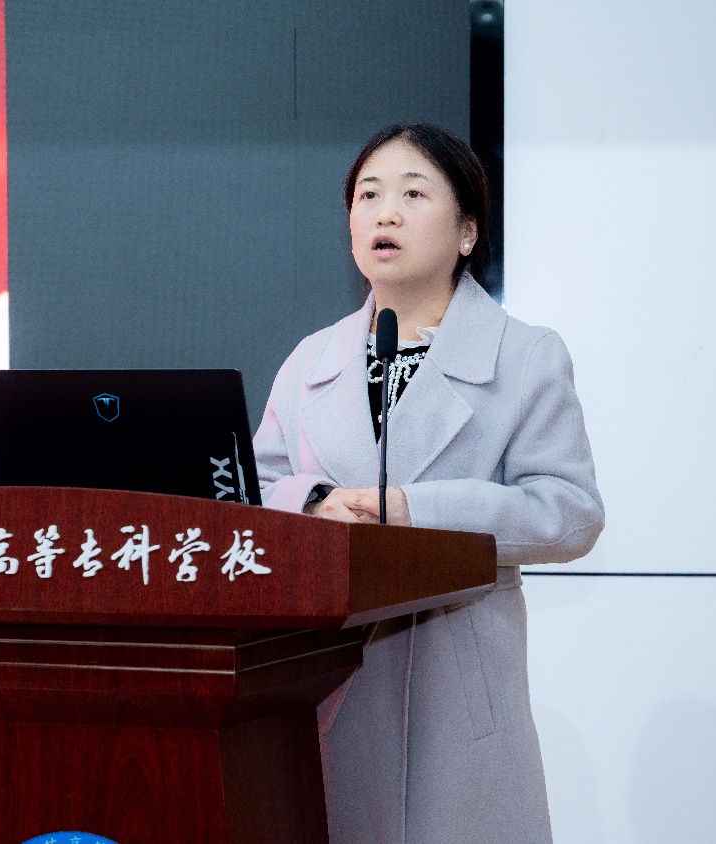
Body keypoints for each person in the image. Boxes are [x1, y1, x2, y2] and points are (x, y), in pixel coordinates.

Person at [253, 123, 605, 844]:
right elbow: (253, 485)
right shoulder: (311, 358)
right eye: (368, 195)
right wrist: (316, 502)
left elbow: (568, 512)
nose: (385, 213)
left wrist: (417, 509)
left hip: (458, 682)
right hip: (327, 674)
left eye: (413, 195)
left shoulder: (525, 356)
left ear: (467, 231)